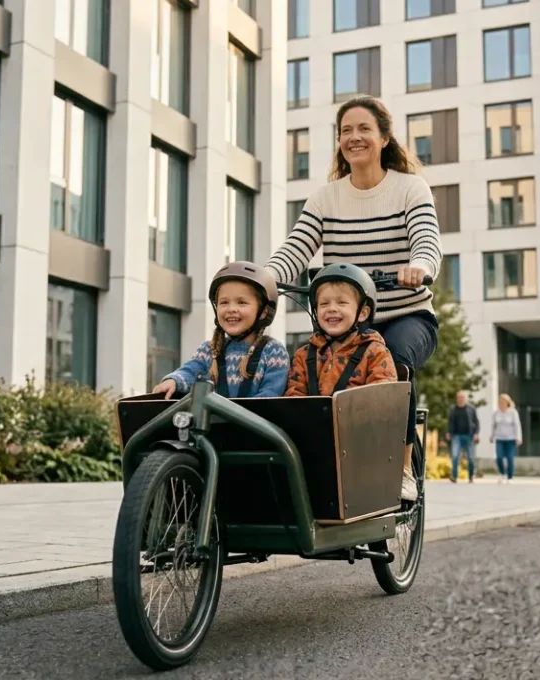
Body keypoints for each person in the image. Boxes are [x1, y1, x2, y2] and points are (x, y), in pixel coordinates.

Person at [264, 95, 442, 502]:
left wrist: (420, 265)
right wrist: (265, 279)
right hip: (348, 321)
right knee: (305, 370)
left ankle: (399, 469)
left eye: (364, 129)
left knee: (392, 359)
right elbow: (296, 249)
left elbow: (427, 240)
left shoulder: (410, 188)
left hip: (406, 315)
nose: (354, 137)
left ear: (383, 138)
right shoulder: (327, 198)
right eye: (346, 131)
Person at [153, 262, 290, 399]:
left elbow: (270, 397)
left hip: (254, 420)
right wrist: (174, 381)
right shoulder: (209, 350)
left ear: (264, 311)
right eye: (224, 302)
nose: (231, 309)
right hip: (213, 420)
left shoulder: (274, 352)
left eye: (241, 302)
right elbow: (190, 371)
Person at [285, 264, 398, 397]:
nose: (331, 309)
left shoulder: (376, 353)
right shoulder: (303, 356)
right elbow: (293, 398)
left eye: (342, 303)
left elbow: (382, 397)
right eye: (324, 304)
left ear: (362, 313)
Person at [447, 392, 479, 484]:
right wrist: (449, 432)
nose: (461, 399)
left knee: (471, 457)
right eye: (459, 397)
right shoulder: (453, 409)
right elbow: (450, 422)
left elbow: (476, 422)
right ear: (457, 399)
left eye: (462, 397)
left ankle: (471, 476)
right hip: (456, 436)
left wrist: (476, 433)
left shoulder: (471, 409)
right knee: (455, 456)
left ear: (465, 398)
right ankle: (454, 476)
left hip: (469, 436)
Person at [492, 394, 522, 483]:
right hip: (499, 438)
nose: (501, 404)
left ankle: (510, 477)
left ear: (507, 403)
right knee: (499, 457)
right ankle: (502, 473)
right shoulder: (496, 413)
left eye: (503, 402)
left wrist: (518, 437)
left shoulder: (513, 412)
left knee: (510, 458)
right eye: (500, 402)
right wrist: (492, 435)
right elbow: (493, 425)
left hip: (510, 439)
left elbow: (517, 425)